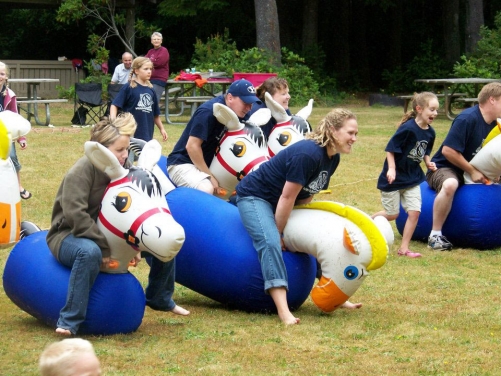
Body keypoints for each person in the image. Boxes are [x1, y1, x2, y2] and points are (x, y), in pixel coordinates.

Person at [46, 114, 188, 336]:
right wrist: (103, 247)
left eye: (127, 149)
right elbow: (76, 215)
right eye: (120, 150)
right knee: (88, 252)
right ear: (102, 150)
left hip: (108, 234)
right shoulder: (82, 171)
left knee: (162, 240)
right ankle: (69, 320)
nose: (125, 155)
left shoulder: (124, 168)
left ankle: (160, 297)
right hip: (69, 235)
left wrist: (134, 244)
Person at [235, 108, 362, 325]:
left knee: (315, 237)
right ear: (333, 130)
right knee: (270, 241)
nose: (354, 138)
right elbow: (287, 197)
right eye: (350, 133)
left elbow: (306, 195)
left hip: (283, 201)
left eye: (355, 134)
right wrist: (279, 231)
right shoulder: (308, 154)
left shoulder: (333, 158)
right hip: (256, 197)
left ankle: (334, 294)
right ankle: (283, 311)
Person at [426, 82, 501, 251]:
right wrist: (472, 171)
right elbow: (448, 151)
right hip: (444, 168)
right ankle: (435, 235)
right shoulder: (468, 118)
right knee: (451, 184)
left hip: (469, 170)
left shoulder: (495, 125)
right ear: (492, 100)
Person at [167, 79, 261, 195]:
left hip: (210, 164)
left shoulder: (242, 113)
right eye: (245, 103)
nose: (249, 108)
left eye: (251, 104)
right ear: (230, 98)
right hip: (184, 163)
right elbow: (192, 147)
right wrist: (209, 176)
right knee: (207, 189)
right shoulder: (207, 112)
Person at [372, 92, 438, 258]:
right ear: (419, 109)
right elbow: (390, 148)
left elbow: (425, 150)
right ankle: (367, 220)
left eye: (436, 110)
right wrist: (392, 168)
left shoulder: (431, 132)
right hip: (393, 180)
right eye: (432, 109)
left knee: (414, 212)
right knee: (393, 214)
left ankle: (404, 248)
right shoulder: (408, 128)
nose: (435, 113)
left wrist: (428, 162)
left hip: (413, 178)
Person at [110, 57, 168, 143]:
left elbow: (155, 114)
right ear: (136, 71)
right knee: (130, 155)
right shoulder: (128, 87)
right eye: (145, 69)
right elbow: (114, 105)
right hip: (130, 132)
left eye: (150, 69)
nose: (149, 71)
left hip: (146, 133)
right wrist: (113, 122)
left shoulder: (151, 90)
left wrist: (162, 129)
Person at [0, 61, 31, 199]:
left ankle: (18, 186)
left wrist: (21, 137)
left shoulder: (10, 95)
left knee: (11, 157)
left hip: (6, 133)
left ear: (6, 76)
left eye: (2, 73)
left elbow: (15, 117)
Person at [145, 31, 170, 101]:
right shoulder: (150, 51)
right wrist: (152, 61)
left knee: (154, 100)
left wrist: (148, 62)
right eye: (154, 39)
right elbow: (143, 61)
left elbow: (159, 63)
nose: (156, 41)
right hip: (148, 79)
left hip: (159, 79)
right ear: (151, 41)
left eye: (158, 39)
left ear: (161, 41)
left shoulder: (164, 50)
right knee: (147, 99)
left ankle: (155, 112)